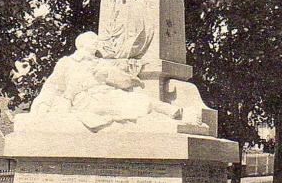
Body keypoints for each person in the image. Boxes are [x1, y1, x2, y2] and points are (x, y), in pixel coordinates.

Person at [30, 31, 181, 131]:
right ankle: (160, 119)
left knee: (137, 98)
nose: (96, 43)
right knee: (124, 106)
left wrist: (131, 77)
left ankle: (170, 112)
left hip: (107, 93)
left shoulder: (100, 62)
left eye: (97, 41)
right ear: (81, 44)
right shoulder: (68, 62)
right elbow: (52, 86)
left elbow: (121, 80)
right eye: (92, 41)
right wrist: (43, 105)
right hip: (86, 99)